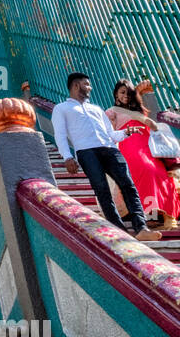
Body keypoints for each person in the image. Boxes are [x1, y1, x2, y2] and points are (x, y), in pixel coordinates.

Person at [51, 72, 161, 242]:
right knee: (102, 190)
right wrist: (67, 156)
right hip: (86, 152)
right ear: (76, 86)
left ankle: (141, 227)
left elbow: (110, 134)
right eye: (87, 84)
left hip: (109, 149)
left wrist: (126, 132)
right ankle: (119, 231)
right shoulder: (61, 109)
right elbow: (59, 134)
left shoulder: (96, 109)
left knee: (128, 185)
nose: (90, 87)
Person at [107, 79, 180, 231]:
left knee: (161, 172)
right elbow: (109, 134)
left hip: (149, 146)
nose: (125, 96)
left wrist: (140, 89)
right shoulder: (111, 111)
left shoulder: (138, 110)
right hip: (129, 146)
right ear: (115, 94)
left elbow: (157, 84)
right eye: (122, 92)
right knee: (143, 170)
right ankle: (146, 214)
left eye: (128, 93)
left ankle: (169, 215)